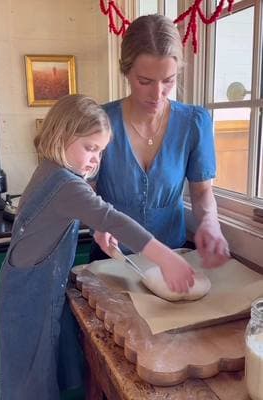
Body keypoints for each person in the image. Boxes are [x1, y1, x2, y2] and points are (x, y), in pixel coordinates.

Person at [0, 94, 196, 400]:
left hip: (32, 288)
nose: (95, 159)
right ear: (61, 136)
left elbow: (90, 212)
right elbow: (111, 216)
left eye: (101, 152)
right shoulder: (64, 183)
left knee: (44, 369)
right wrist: (166, 258)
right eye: (89, 148)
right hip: (30, 296)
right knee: (29, 382)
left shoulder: (53, 170)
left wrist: (98, 228)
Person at [91, 14, 230, 269]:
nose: (158, 94)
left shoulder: (194, 122)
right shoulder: (99, 121)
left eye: (169, 81)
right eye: (145, 81)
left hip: (172, 258)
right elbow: (86, 190)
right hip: (111, 258)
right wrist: (99, 222)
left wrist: (210, 223)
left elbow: (201, 192)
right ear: (126, 72)